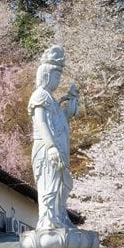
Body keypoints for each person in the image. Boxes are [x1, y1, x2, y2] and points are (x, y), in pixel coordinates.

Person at [28, 45, 78, 229]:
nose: (58, 80)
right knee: (49, 185)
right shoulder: (40, 95)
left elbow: (62, 122)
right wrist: (51, 147)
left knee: (61, 186)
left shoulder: (52, 100)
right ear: (46, 75)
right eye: (56, 76)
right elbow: (41, 123)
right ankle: (49, 219)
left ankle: (60, 216)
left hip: (58, 148)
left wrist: (70, 104)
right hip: (46, 148)